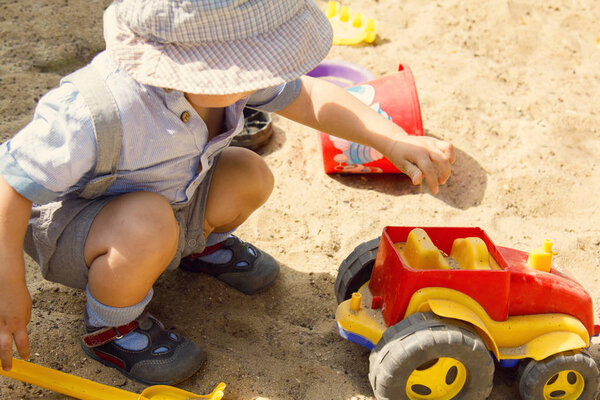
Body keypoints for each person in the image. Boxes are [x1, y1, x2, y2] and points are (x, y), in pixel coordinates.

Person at [0, 0, 455, 386]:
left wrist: (390, 139)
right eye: (253, 61)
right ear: (195, 65)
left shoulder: (221, 77)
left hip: (170, 200)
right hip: (82, 230)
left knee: (248, 172)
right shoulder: (92, 111)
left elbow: (311, 96)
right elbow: (10, 182)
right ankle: (110, 330)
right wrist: (8, 285)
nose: (268, 71)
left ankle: (194, 246)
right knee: (148, 224)